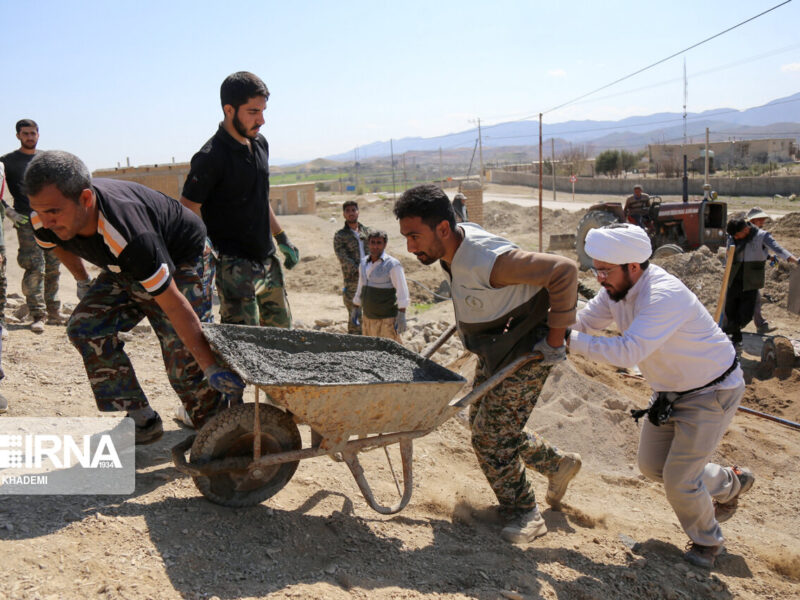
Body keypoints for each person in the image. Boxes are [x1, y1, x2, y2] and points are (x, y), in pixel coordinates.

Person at [394, 184, 582, 544]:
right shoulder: (454, 245)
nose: (410, 247)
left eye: (415, 236)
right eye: (406, 237)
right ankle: (557, 464)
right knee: (482, 420)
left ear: (444, 229)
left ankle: (524, 511)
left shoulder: (487, 259)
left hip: (529, 347)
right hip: (497, 345)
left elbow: (564, 270)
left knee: (490, 437)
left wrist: (555, 342)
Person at [25, 150, 244, 444]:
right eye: (39, 211)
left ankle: (221, 433)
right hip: (125, 265)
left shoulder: (128, 234)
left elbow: (174, 305)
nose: (46, 220)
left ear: (86, 200)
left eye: (53, 212)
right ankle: (141, 418)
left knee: (183, 351)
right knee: (86, 327)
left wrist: (210, 366)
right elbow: (54, 245)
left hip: (182, 256)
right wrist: (82, 280)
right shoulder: (43, 218)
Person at [568, 223, 753, 569]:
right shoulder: (617, 291)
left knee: (680, 480)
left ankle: (708, 542)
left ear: (633, 268)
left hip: (711, 391)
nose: (599, 277)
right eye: (597, 269)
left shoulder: (662, 295)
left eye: (605, 271)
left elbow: (627, 352)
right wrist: (549, 327)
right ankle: (731, 482)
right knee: (653, 467)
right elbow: (585, 322)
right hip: (670, 392)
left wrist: (566, 341)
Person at [181, 71, 298, 328]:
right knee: (246, 345)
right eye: (253, 112)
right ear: (229, 110)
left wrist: (281, 237)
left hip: (267, 259)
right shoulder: (210, 157)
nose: (262, 120)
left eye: (263, 111)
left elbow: (260, 197)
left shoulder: (259, 145)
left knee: (284, 341)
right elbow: (188, 209)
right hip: (234, 267)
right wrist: (206, 252)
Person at [0, 119, 63, 332]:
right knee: (34, 267)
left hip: (50, 220)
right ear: (18, 135)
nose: (30, 137)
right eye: (25, 133)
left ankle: (54, 311)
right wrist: (9, 211)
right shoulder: (7, 161)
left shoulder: (47, 160)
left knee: (54, 265)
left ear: (38, 134)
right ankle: (38, 314)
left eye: (33, 133)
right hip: (26, 220)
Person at [724, 217, 797, 348]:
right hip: (733, 277)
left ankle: (730, 330)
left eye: (737, 235)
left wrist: (795, 260)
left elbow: (778, 249)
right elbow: (729, 253)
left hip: (751, 280)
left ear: (746, 229)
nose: (735, 237)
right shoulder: (733, 235)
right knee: (731, 310)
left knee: (746, 314)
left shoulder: (761, 236)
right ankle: (736, 339)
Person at [352, 230, 409, 343]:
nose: (375, 246)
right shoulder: (363, 263)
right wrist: (356, 306)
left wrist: (401, 314)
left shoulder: (392, 265)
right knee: (370, 351)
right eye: (372, 242)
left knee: (389, 353)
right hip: (368, 317)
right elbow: (361, 285)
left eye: (379, 243)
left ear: (385, 245)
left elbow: (402, 291)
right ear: (368, 244)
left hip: (386, 320)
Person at [745, 207, 792, 334]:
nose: (763, 222)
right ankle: (760, 325)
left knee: (750, 298)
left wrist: (768, 257)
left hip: (743, 271)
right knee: (753, 298)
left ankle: (727, 324)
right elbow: (779, 249)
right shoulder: (760, 235)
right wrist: (793, 259)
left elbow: (752, 251)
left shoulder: (745, 233)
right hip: (748, 272)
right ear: (754, 220)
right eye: (761, 220)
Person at [334, 199, 369, 334]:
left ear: (358, 212)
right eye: (347, 211)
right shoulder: (340, 236)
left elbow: (376, 251)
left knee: (371, 313)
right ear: (344, 214)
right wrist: (359, 269)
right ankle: (356, 346)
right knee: (355, 314)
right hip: (353, 280)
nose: (351, 213)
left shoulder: (367, 232)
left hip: (371, 278)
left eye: (353, 210)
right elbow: (342, 257)